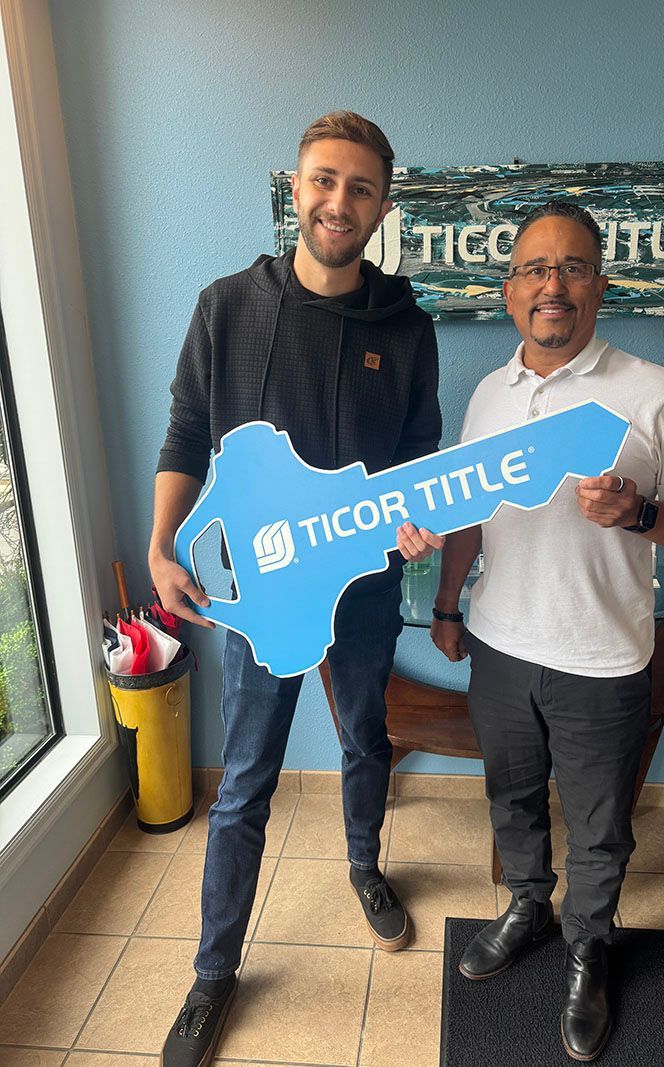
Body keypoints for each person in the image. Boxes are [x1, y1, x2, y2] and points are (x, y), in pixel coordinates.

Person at [150, 111, 443, 1067]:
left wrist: (414, 527)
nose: (339, 202)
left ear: (381, 206)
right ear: (296, 187)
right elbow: (189, 430)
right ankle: (212, 971)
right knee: (244, 784)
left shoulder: (407, 325)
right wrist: (162, 545)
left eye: (360, 188)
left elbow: (416, 461)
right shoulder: (227, 306)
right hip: (267, 596)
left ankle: (364, 865)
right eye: (325, 181)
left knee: (368, 736)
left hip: (361, 586)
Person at [431, 200, 664, 1061]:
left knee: (600, 825)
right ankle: (527, 903)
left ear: (600, 284)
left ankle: (588, 946)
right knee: (511, 800)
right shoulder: (488, 392)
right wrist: (450, 608)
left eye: (571, 268)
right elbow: (466, 518)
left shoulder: (656, 391)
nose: (551, 284)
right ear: (509, 288)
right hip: (500, 645)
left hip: (602, 657)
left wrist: (638, 514)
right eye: (533, 268)